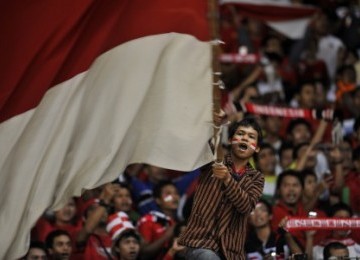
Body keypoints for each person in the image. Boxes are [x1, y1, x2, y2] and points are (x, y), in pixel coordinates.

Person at [178, 117, 264, 260]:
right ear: (230, 140)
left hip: (232, 252)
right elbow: (205, 143)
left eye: (251, 136)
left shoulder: (257, 178)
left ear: (257, 148)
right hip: (201, 243)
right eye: (240, 133)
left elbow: (246, 206)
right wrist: (214, 125)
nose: (245, 138)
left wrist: (227, 179)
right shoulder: (214, 161)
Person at [137, 180, 180, 260]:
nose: (174, 197)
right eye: (168, 194)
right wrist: (167, 235)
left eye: (176, 193)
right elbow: (144, 254)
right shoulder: (147, 220)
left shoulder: (180, 221)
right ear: (158, 200)